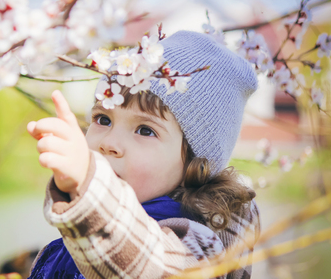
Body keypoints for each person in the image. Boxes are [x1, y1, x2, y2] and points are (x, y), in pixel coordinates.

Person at [26, 30, 261, 279]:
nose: (109, 143)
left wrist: (88, 186)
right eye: (102, 119)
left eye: (145, 130)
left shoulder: (197, 245)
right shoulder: (72, 247)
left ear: (195, 167)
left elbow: (145, 265)